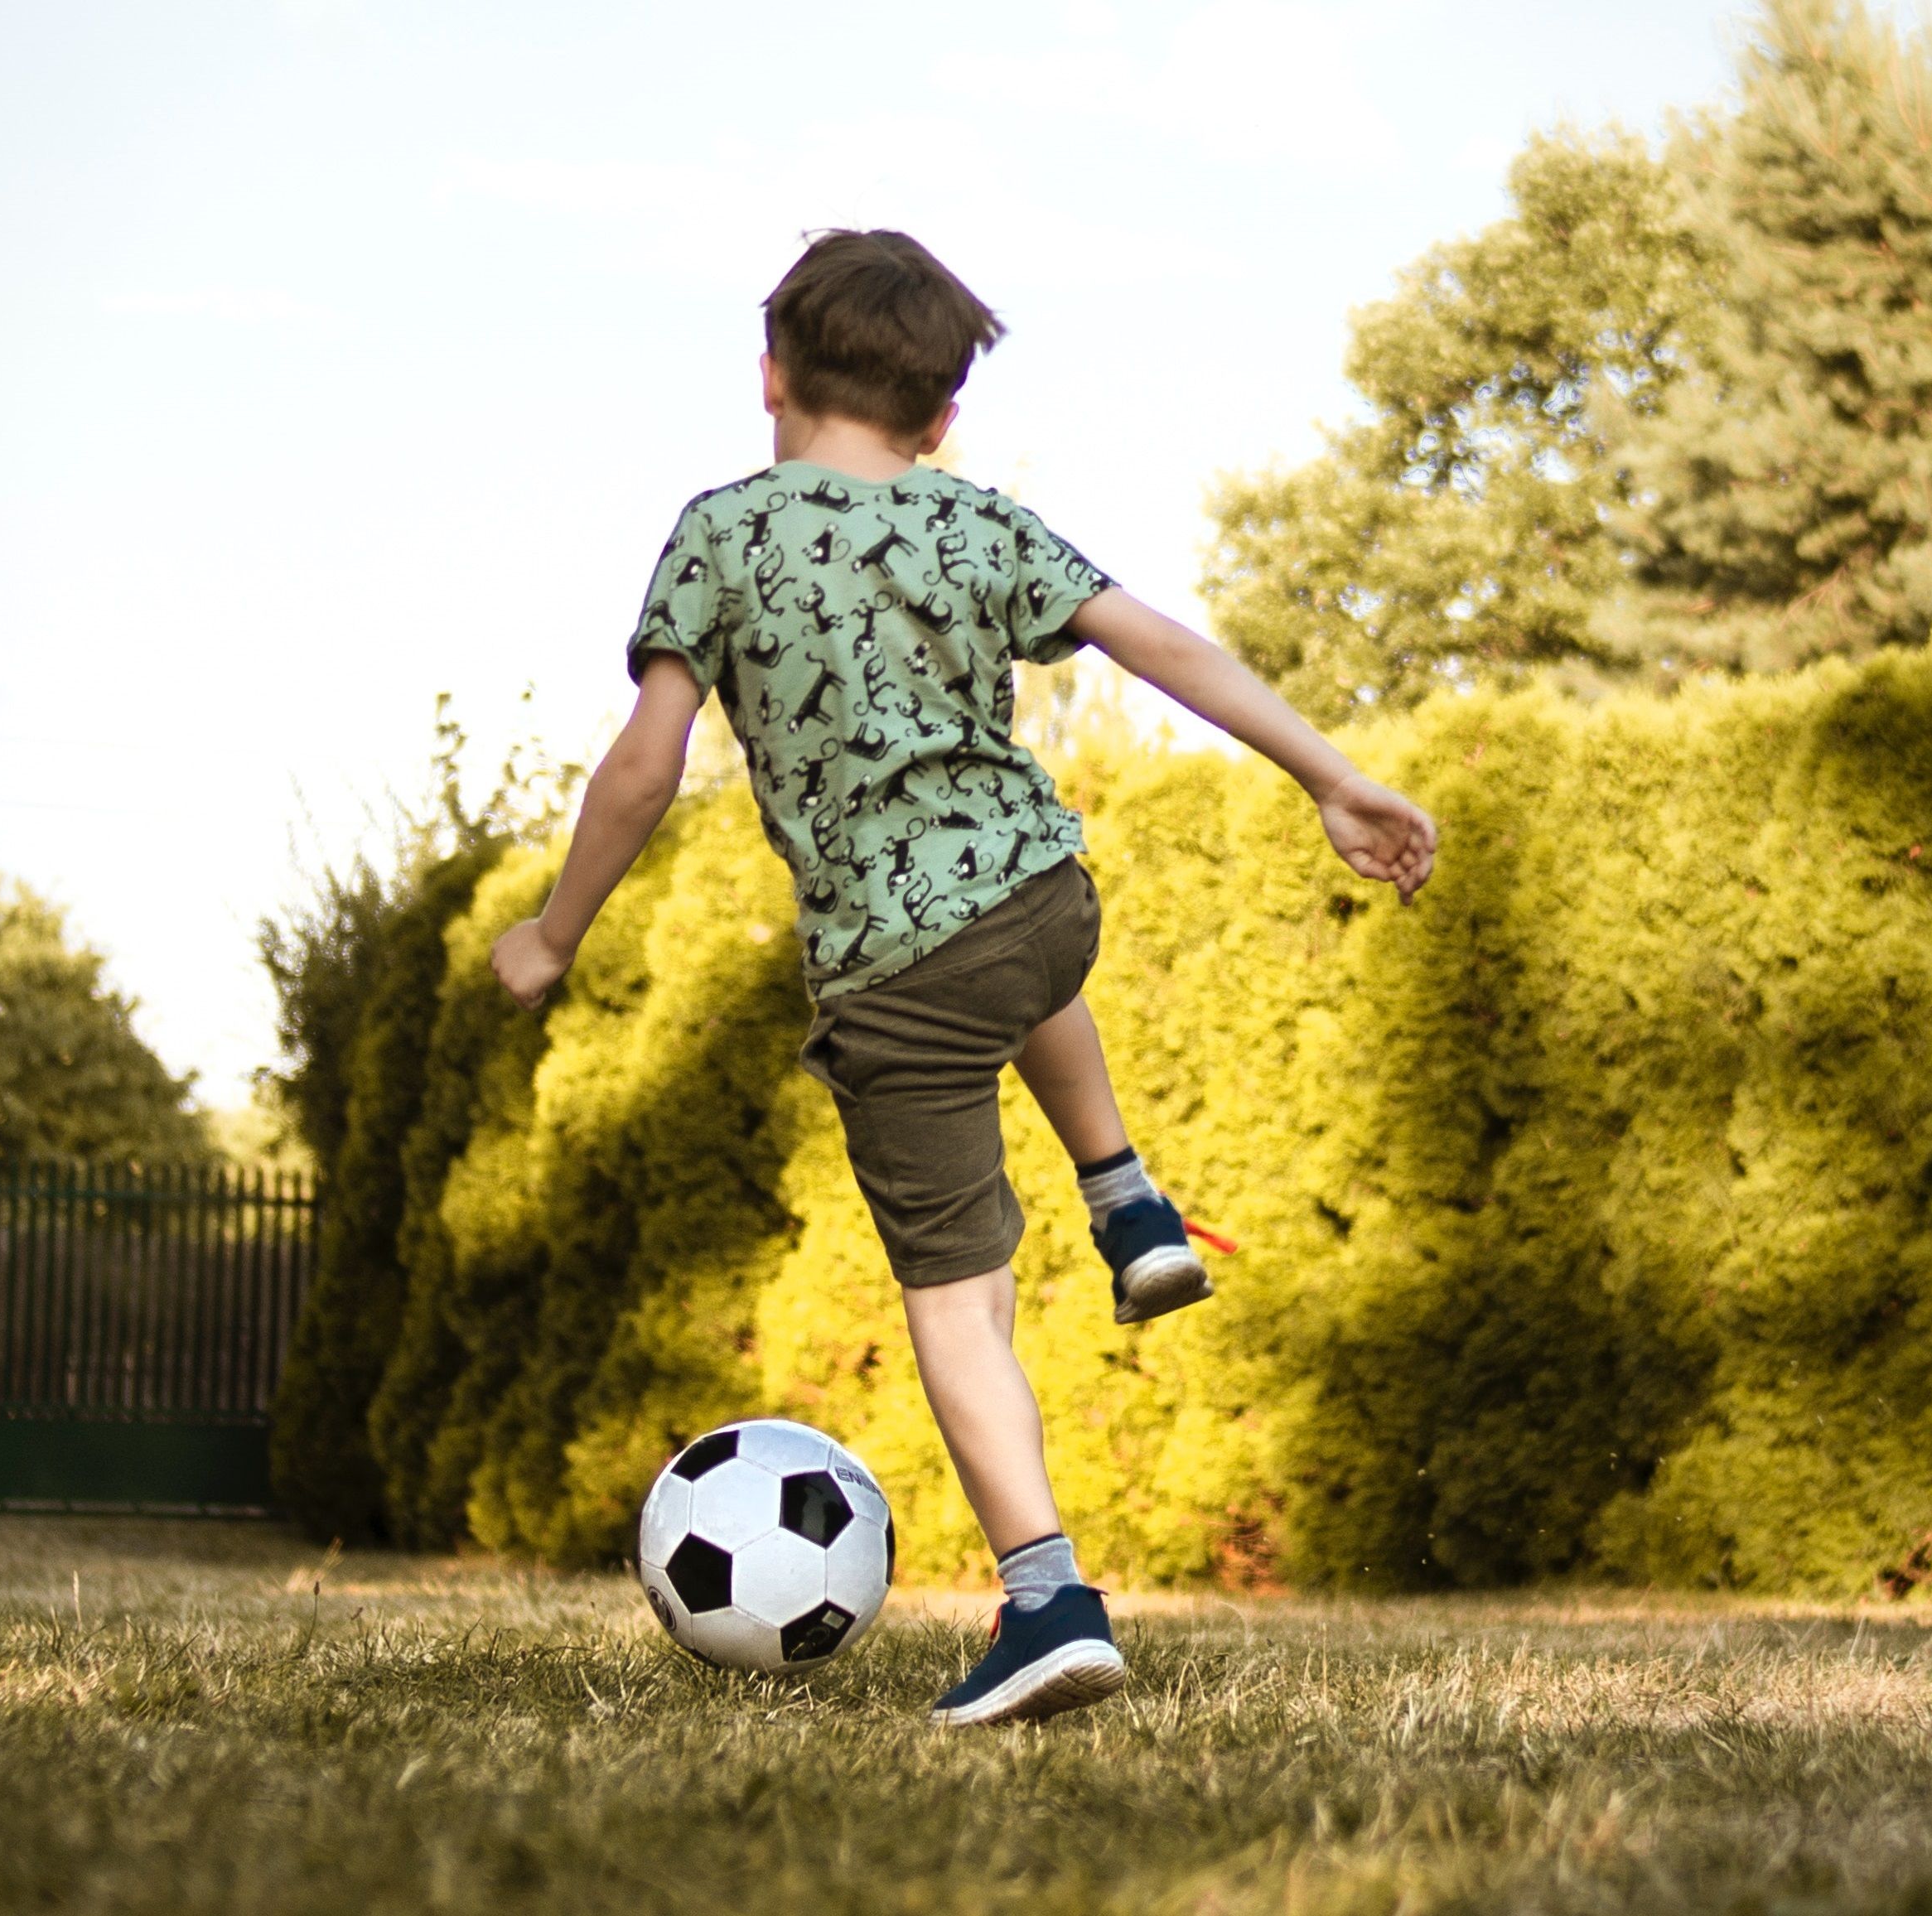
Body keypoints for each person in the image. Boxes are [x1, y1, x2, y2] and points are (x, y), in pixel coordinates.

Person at [492, 229, 1437, 1726]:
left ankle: (1047, 1597)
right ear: (942, 418)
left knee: (957, 1308)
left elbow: (641, 764)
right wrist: (1334, 775)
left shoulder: (723, 534)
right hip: (1047, 901)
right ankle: (1124, 1194)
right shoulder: (976, 524)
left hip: (894, 981)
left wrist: (553, 932)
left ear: (769, 377)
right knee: (1014, 948)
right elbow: (1166, 649)